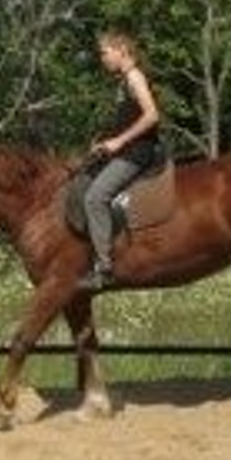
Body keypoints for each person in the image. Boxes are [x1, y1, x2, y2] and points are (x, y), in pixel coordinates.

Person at [78, 28, 163, 292]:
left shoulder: (135, 77)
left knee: (94, 198)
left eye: (105, 52)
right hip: (126, 149)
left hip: (137, 153)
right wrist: (104, 142)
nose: (102, 58)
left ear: (121, 50)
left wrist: (119, 142)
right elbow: (128, 119)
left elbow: (152, 116)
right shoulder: (123, 81)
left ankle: (105, 267)